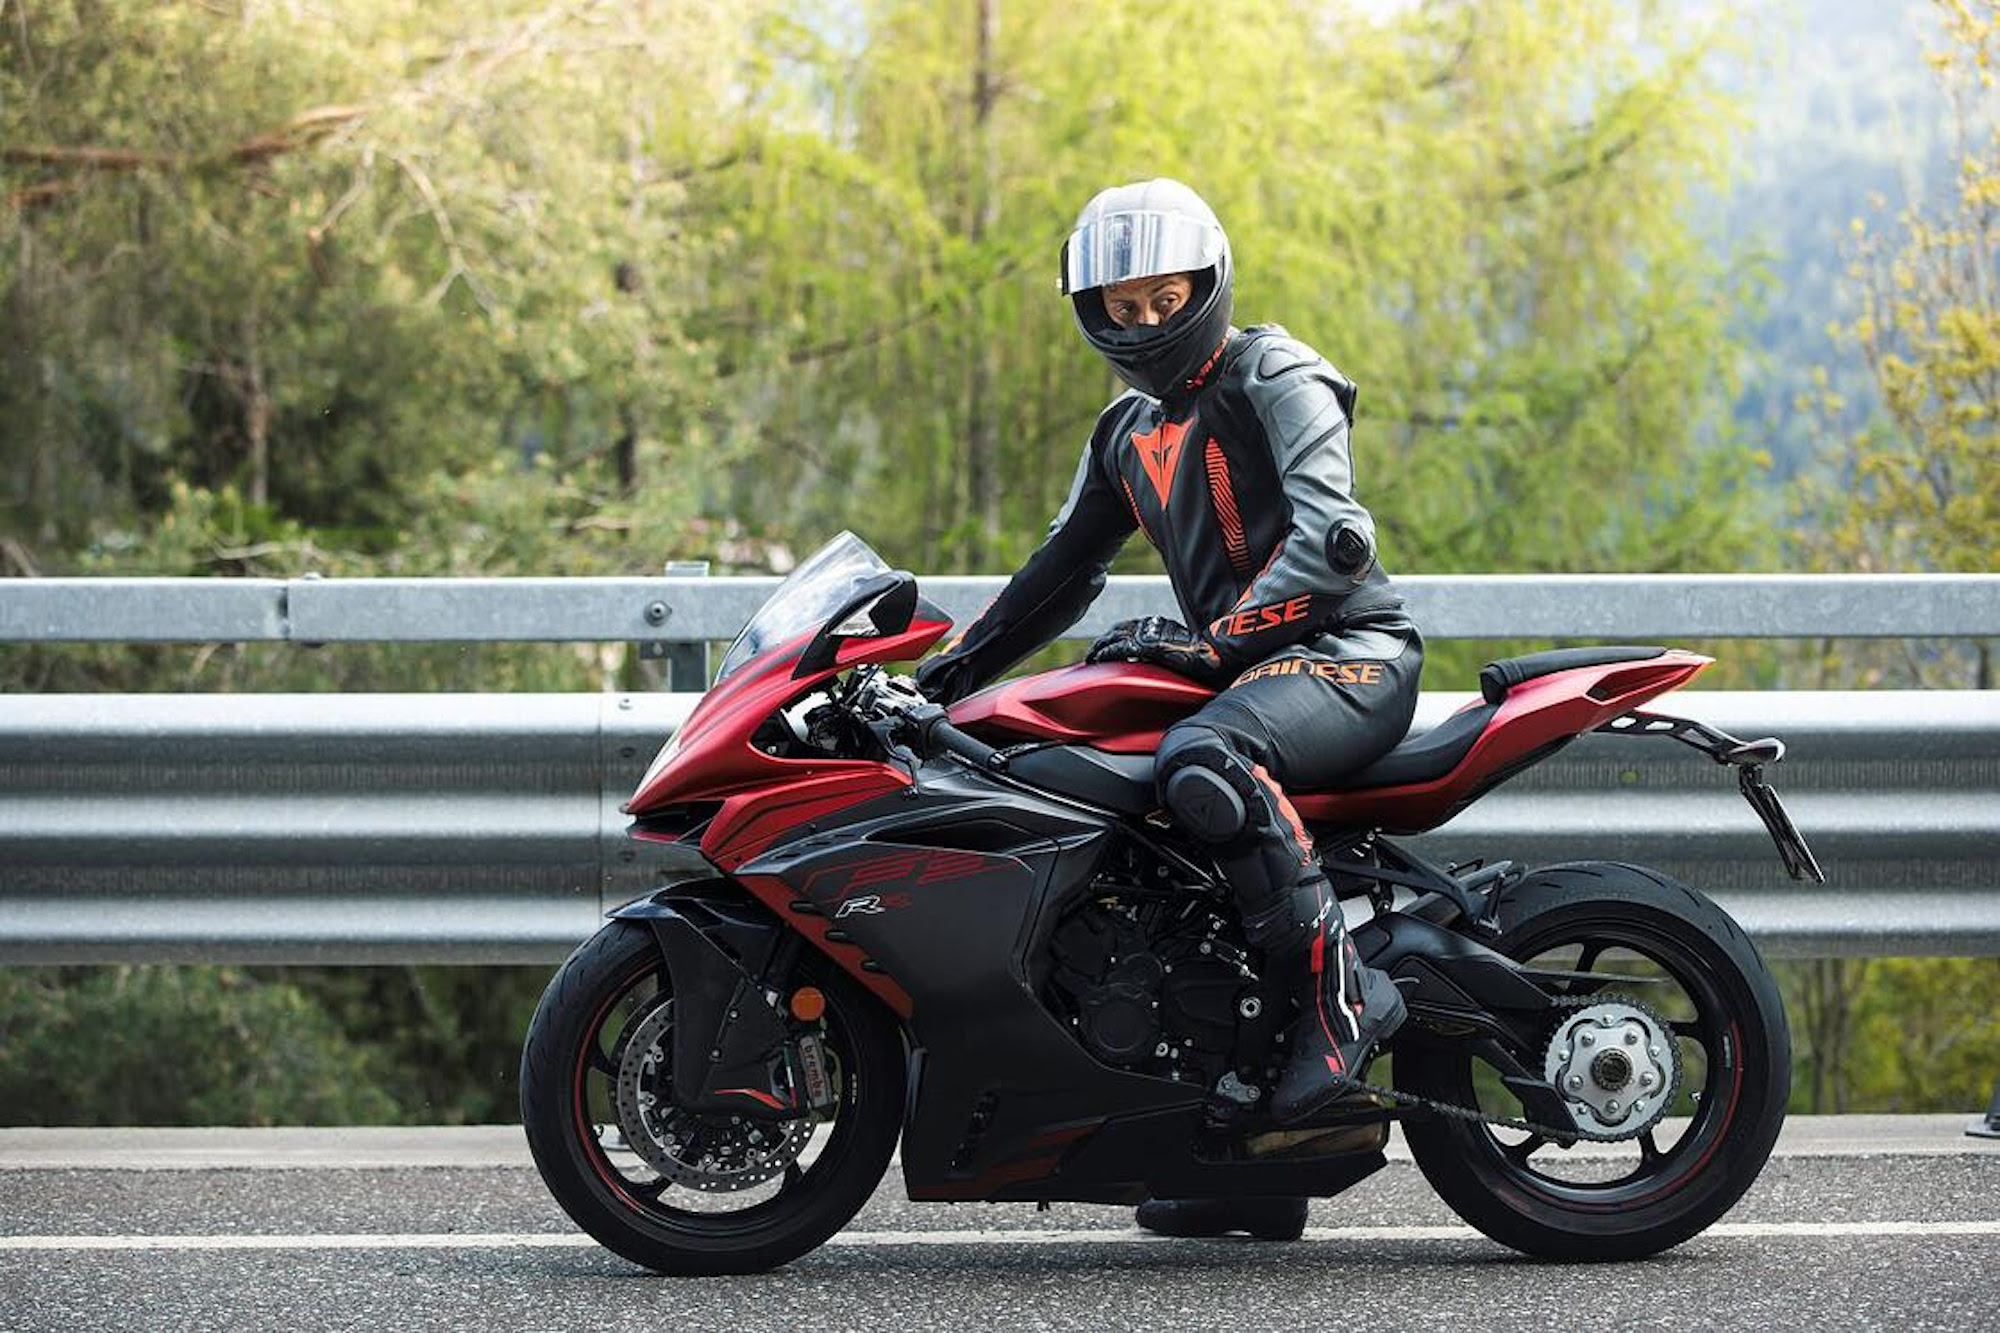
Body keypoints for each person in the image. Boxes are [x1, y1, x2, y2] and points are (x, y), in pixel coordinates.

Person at [913, 178, 1423, 1242]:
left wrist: (1208, 645)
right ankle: (1243, 1157)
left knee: (1200, 758)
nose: (1143, 322)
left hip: (1346, 657)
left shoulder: (1273, 372)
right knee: (1137, 838)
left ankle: (1338, 1007)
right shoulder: (1127, 432)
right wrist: (939, 679)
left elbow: (1335, 544)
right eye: (1122, 306)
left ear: (1206, 283)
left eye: (1163, 297)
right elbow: (1056, 577)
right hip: (1243, 673)